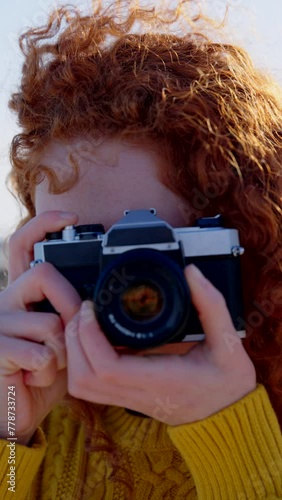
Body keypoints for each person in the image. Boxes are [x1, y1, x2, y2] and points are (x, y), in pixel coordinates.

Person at [0, 1, 282, 498]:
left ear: (243, 242)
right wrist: (9, 426)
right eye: (87, 249)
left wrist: (225, 422)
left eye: (153, 250)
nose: (125, 287)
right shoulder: (47, 401)